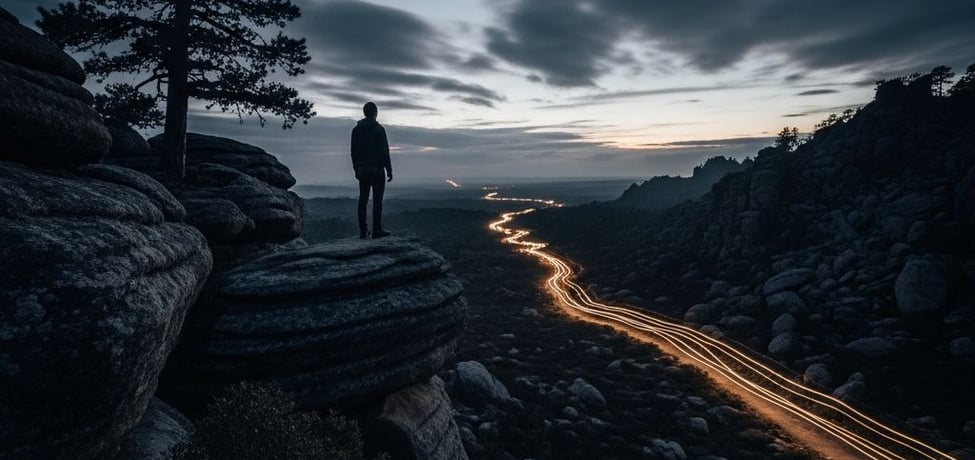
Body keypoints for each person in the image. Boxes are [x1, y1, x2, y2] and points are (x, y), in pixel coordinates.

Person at [351, 101, 393, 238]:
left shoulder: (356, 130)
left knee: (363, 199)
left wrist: (356, 169)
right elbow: (384, 151)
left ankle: (363, 231)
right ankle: (377, 230)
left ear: (364, 113)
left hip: (362, 169)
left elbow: (353, 152)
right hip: (377, 169)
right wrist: (389, 169)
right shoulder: (379, 129)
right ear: (375, 113)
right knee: (377, 200)